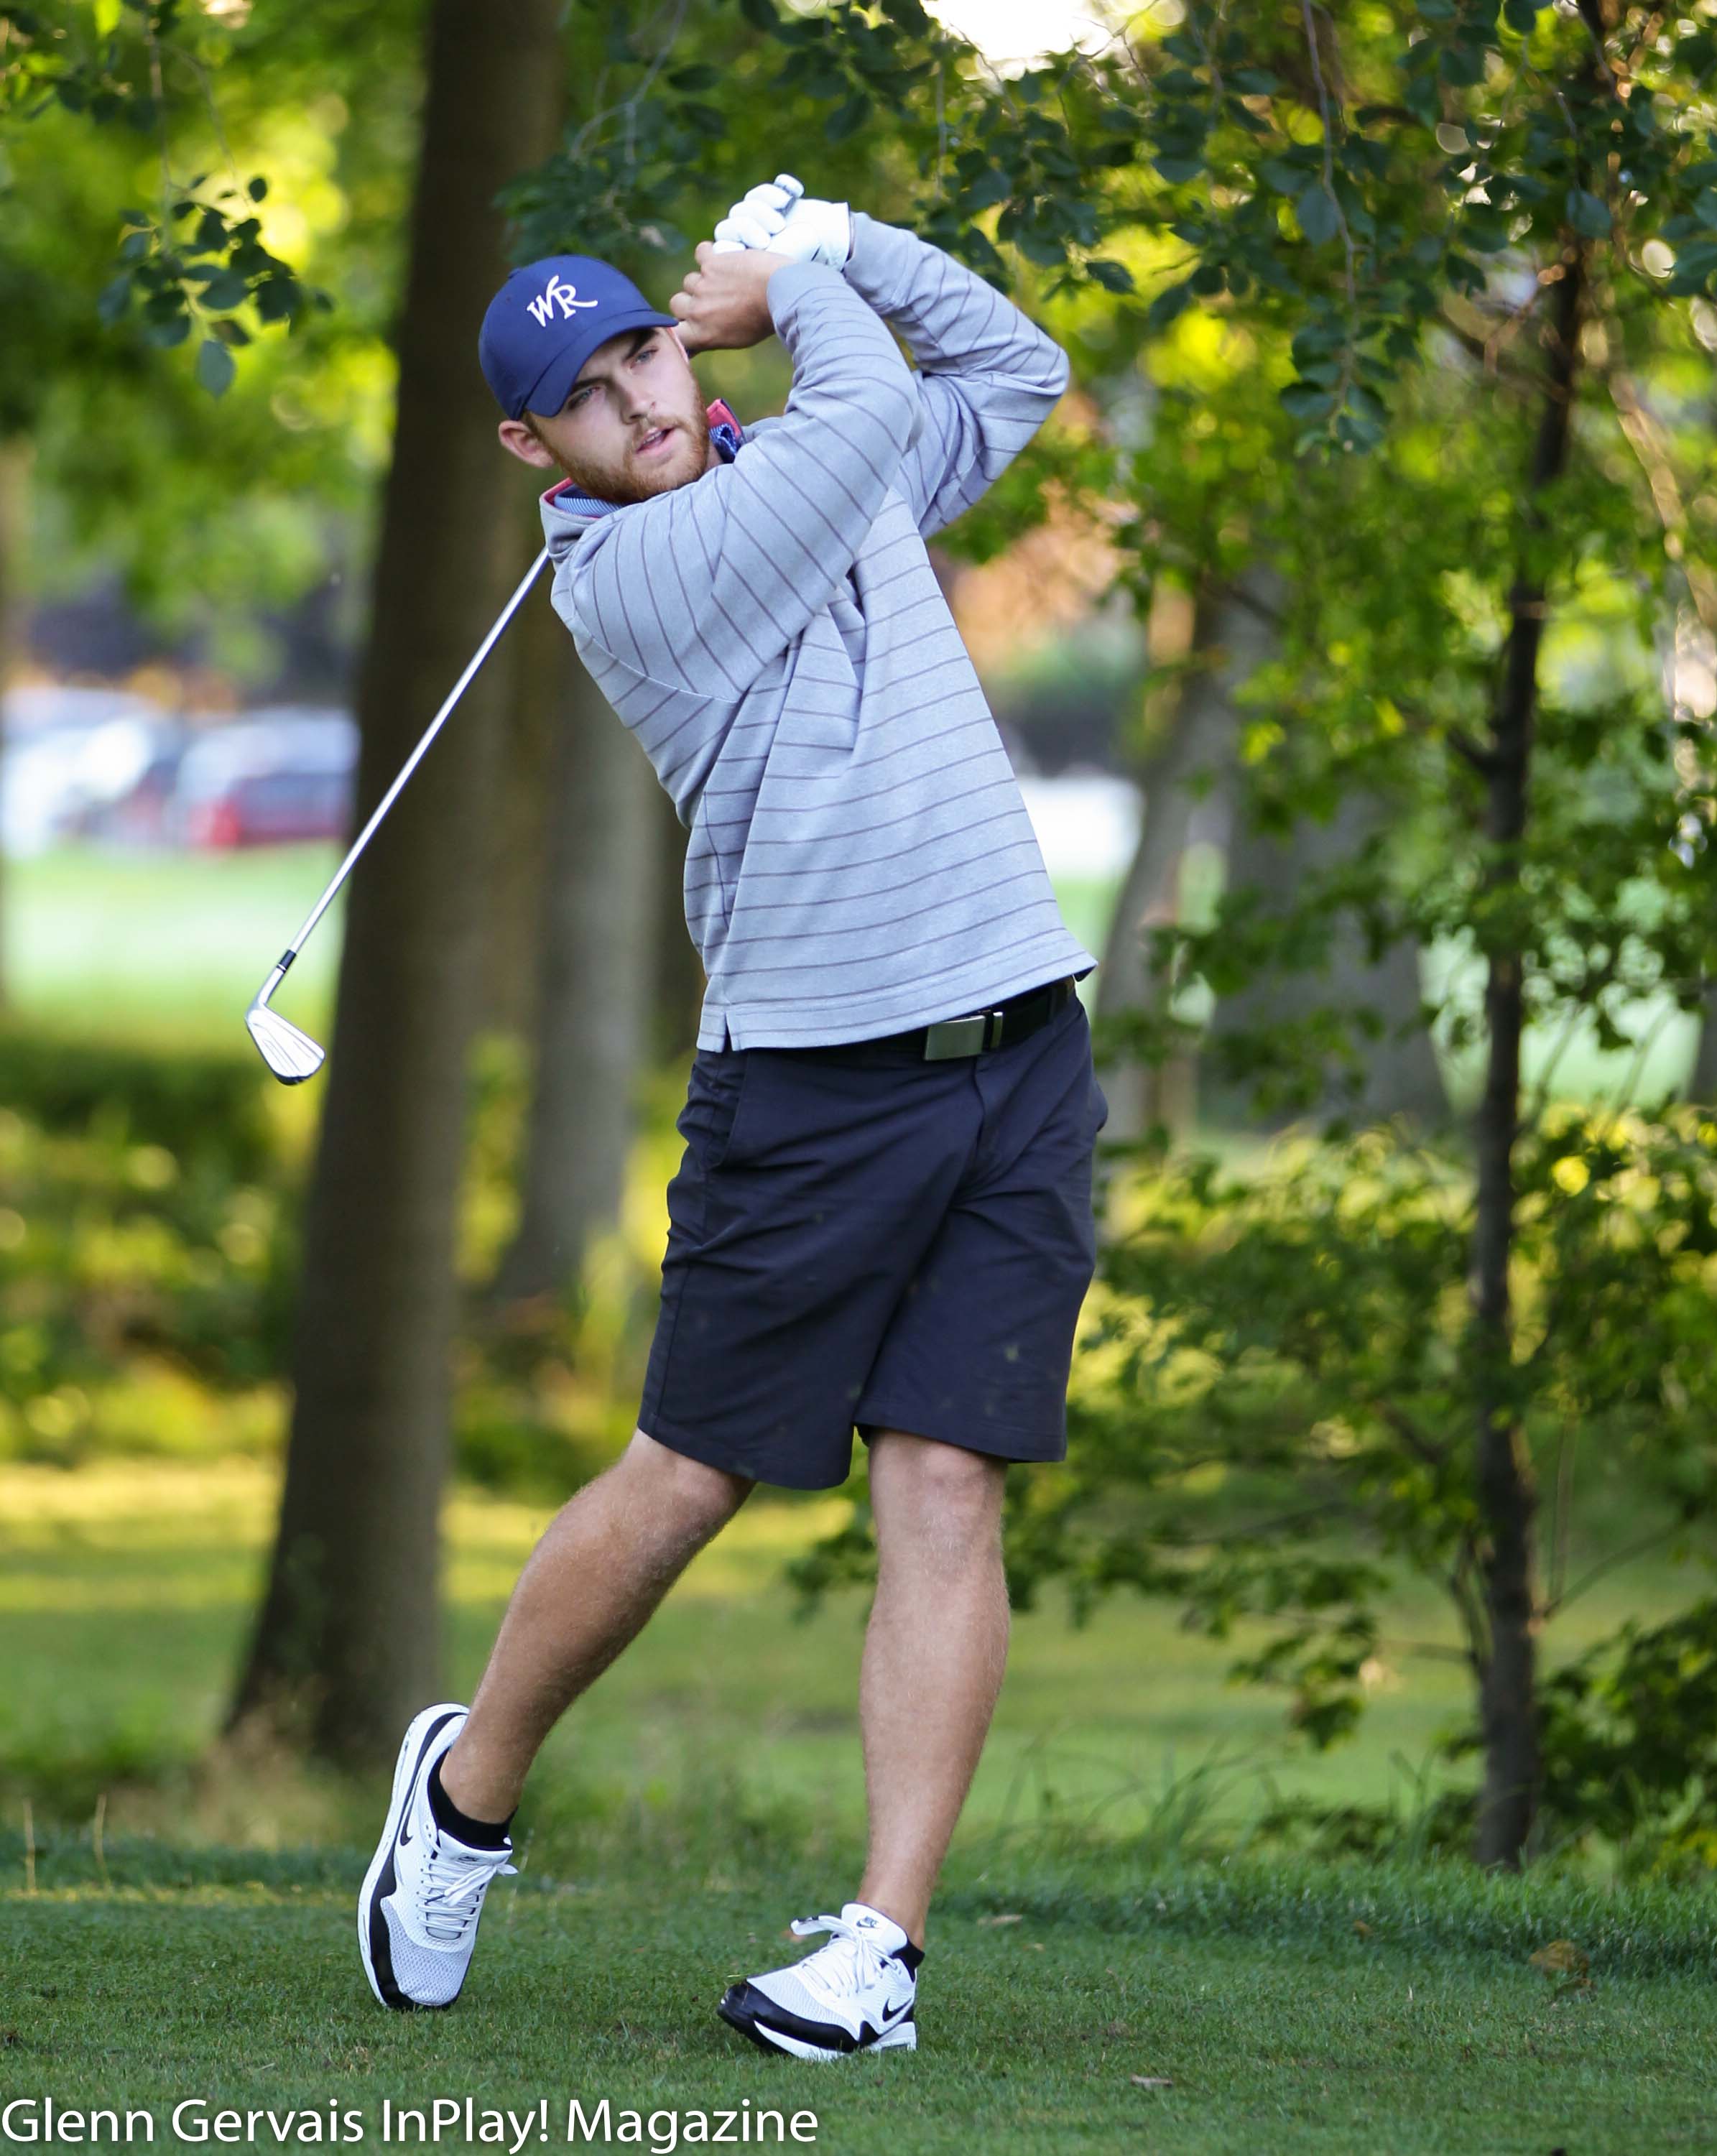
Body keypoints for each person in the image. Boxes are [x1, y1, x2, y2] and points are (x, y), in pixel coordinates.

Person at [356, 175, 1106, 2060]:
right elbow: (865, 415)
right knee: (691, 1476)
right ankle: (465, 1793)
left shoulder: (806, 464)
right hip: (815, 1080)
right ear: (534, 448)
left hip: (1018, 1038)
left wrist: (847, 237)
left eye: (645, 352)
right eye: (588, 396)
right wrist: (809, 275)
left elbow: (1020, 367)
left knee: (947, 1480)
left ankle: (881, 1950)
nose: (640, 402)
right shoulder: (639, 580)